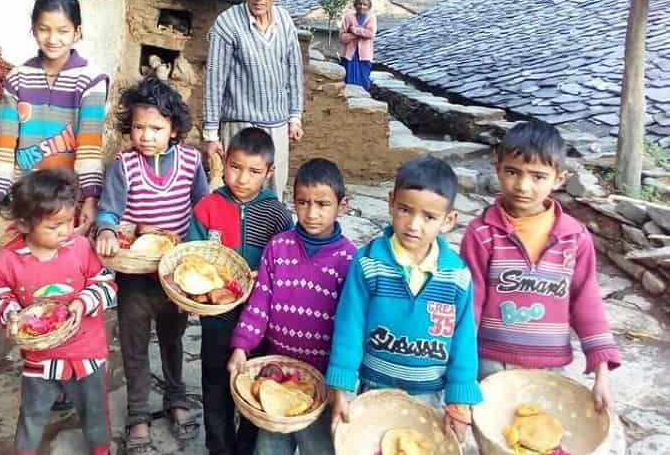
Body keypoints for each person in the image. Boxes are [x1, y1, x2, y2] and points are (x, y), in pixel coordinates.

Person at [461, 121, 620, 410]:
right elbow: (470, 303)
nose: (522, 186)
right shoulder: (482, 232)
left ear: (559, 179)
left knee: (540, 434)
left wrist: (602, 374)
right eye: (512, 172)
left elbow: (587, 302)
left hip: (550, 367)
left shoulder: (574, 238)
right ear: (497, 169)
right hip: (489, 363)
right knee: (494, 432)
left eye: (538, 176)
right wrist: (462, 368)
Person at [326, 157, 482, 439]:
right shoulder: (369, 263)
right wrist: (342, 387)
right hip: (372, 388)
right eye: (404, 210)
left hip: (429, 395)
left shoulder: (456, 276)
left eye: (429, 217)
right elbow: (349, 326)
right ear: (391, 203)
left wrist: (458, 399)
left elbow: (464, 341)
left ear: (449, 221)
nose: (414, 225)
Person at [93, 76, 208, 454]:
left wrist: (196, 245)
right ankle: (138, 413)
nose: (146, 135)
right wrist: (107, 230)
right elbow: (108, 208)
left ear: (174, 129)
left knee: (174, 338)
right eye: (139, 127)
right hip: (135, 275)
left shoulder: (191, 161)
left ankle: (176, 397)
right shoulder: (124, 165)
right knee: (134, 343)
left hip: (175, 275)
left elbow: (201, 210)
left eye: (156, 128)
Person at [0, 168, 117, 455]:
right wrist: (11, 315)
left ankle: (100, 448)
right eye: (53, 226)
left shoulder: (81, 247)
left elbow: (104, 283)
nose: (65, 231)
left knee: (94, 408)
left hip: (86, 352)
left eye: (68, 222)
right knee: (32, 413)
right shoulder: (8, 260)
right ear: (23, 225)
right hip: (39, 358)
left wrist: (84, 302)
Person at [227, 158, 355, 455]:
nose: (311, 213)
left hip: (321, 381)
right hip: (276, 372)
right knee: (270, 447)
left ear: (342, 205)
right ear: (293, 202)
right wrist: (241, 347)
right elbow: (260, 303)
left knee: (318, 446)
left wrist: (340, 383)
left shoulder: (348, 260)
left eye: (322, 204)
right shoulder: (278, 247)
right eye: (303, 202)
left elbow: (350, 325)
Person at [188, 127, 293, 455]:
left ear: (269, 173)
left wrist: (263, 274)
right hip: (217, 319)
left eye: (254, 171)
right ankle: (219, 448)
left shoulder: (277, 214)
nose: (243, 178)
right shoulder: (208, 207)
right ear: (223, 161)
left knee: (253, 387)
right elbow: (190, 255)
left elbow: (288, 262)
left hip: (260, 321)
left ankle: (247, 447)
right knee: (216, 386)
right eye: (235, 167)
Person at [0, 0, 109, 237]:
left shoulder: (90, 80)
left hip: (68, 202)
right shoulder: (17, 79)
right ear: (33, 29)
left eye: (63, 30)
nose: (52, 38)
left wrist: (90, 198)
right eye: (44, 29)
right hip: (27, 199)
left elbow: (90, 145)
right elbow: (4, 144)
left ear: (77, 32)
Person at [203, 0, 304, 198]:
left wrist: (295, 116)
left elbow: (294, 71)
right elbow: (215, 80)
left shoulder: (285, 21)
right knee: (237, 192)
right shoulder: (227, 24)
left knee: (273, 193)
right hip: (239, 125)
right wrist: (210, 134)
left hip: (276, 127)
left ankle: (273, 237)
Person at [338, 0, 376, 90]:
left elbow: (370, 34)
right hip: (348, 55)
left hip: (364, 56)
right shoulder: (348, 18)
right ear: (355, 5)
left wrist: (354, 30)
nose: (362, 7)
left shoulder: (371, 19)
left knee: (364, 80)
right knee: (347, 79)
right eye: (359, 4)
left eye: (365, 4)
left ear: (369, 7)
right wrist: (359, 33)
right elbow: (342, 37)